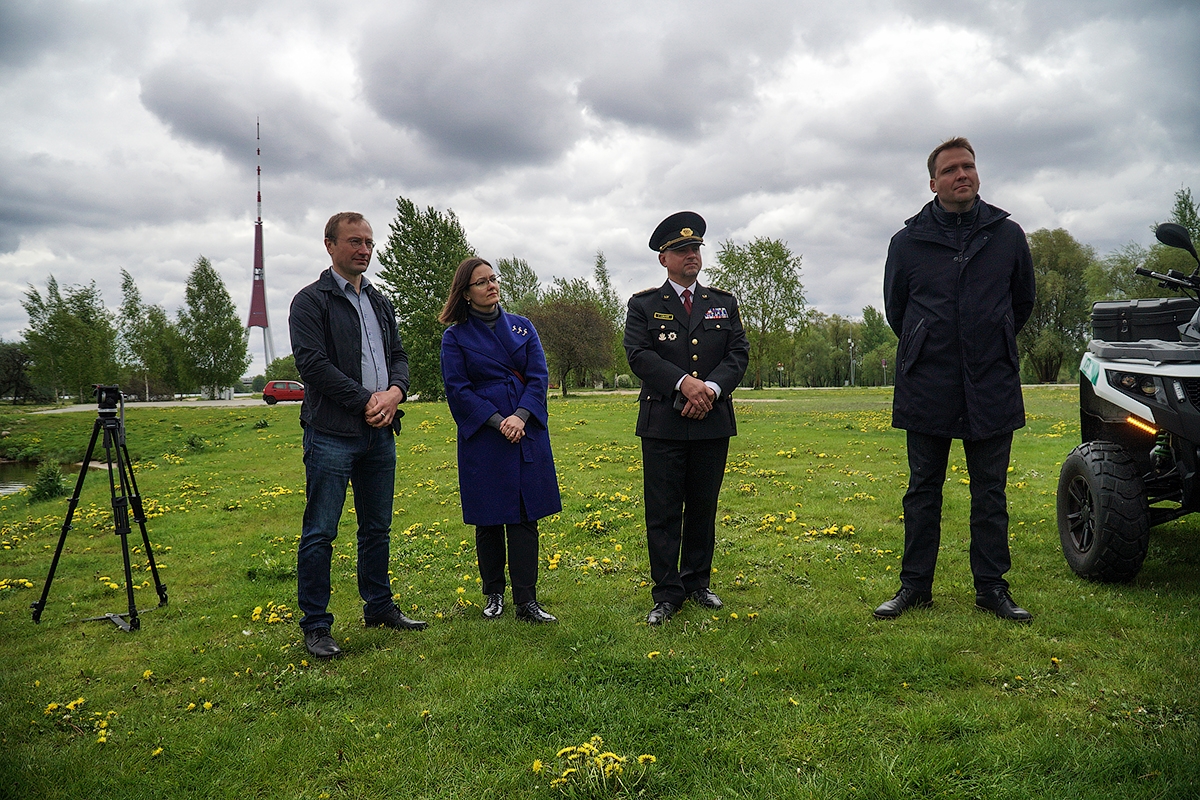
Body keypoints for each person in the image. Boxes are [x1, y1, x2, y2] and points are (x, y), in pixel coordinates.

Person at [877, 137, 1036, 623]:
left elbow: (1021, 303)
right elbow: (897, 311)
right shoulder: (907, 243)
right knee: (923, 488)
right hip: (928, 382)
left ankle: (992, 588)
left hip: (991, 382)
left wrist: (991, 337)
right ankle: (914, 587)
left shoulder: (1007, 236)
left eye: (968, 166)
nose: (961, 174)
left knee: (990, 492)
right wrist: (930, 342)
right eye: (950, 170)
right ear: (933, 183)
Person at [289, 211, 427, 659]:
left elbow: (400, 356)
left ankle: (379, 607)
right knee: (320, 532)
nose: (364, 249)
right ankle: (316, 625)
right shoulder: (310, 302)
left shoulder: (381, 302)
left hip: (380, 434)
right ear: (329, 245)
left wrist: (394, 393)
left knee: (376, 528)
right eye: (354, 241)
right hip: (332, 432)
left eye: (368, 241)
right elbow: (313, 366)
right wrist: (366, 400)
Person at [624, 212, 750, 625]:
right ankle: (666, 593)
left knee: (702, 507)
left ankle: (697, 582)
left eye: (695, 248)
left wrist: (709, 389)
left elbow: (737, 355)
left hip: (711, 420)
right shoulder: (643, 305)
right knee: (662, 510)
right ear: (664, 259)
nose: (691, 256)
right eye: (681, 250)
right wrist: (683, 384)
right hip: (664, 422)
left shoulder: (723, 303)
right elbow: (639, 356)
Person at [440, 257, 562, 623]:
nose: (491, 286)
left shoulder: (523, 328)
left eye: (493, 279)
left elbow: (539, 377)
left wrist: (520, 417)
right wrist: (498, 421)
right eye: (482, 282)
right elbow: (458, 390)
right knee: (489, 517)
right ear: (465, 293)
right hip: (485, 435)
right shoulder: (455, 337)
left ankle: (527, 600)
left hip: (525, 429)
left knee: (526, 516)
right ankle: (493, 593)